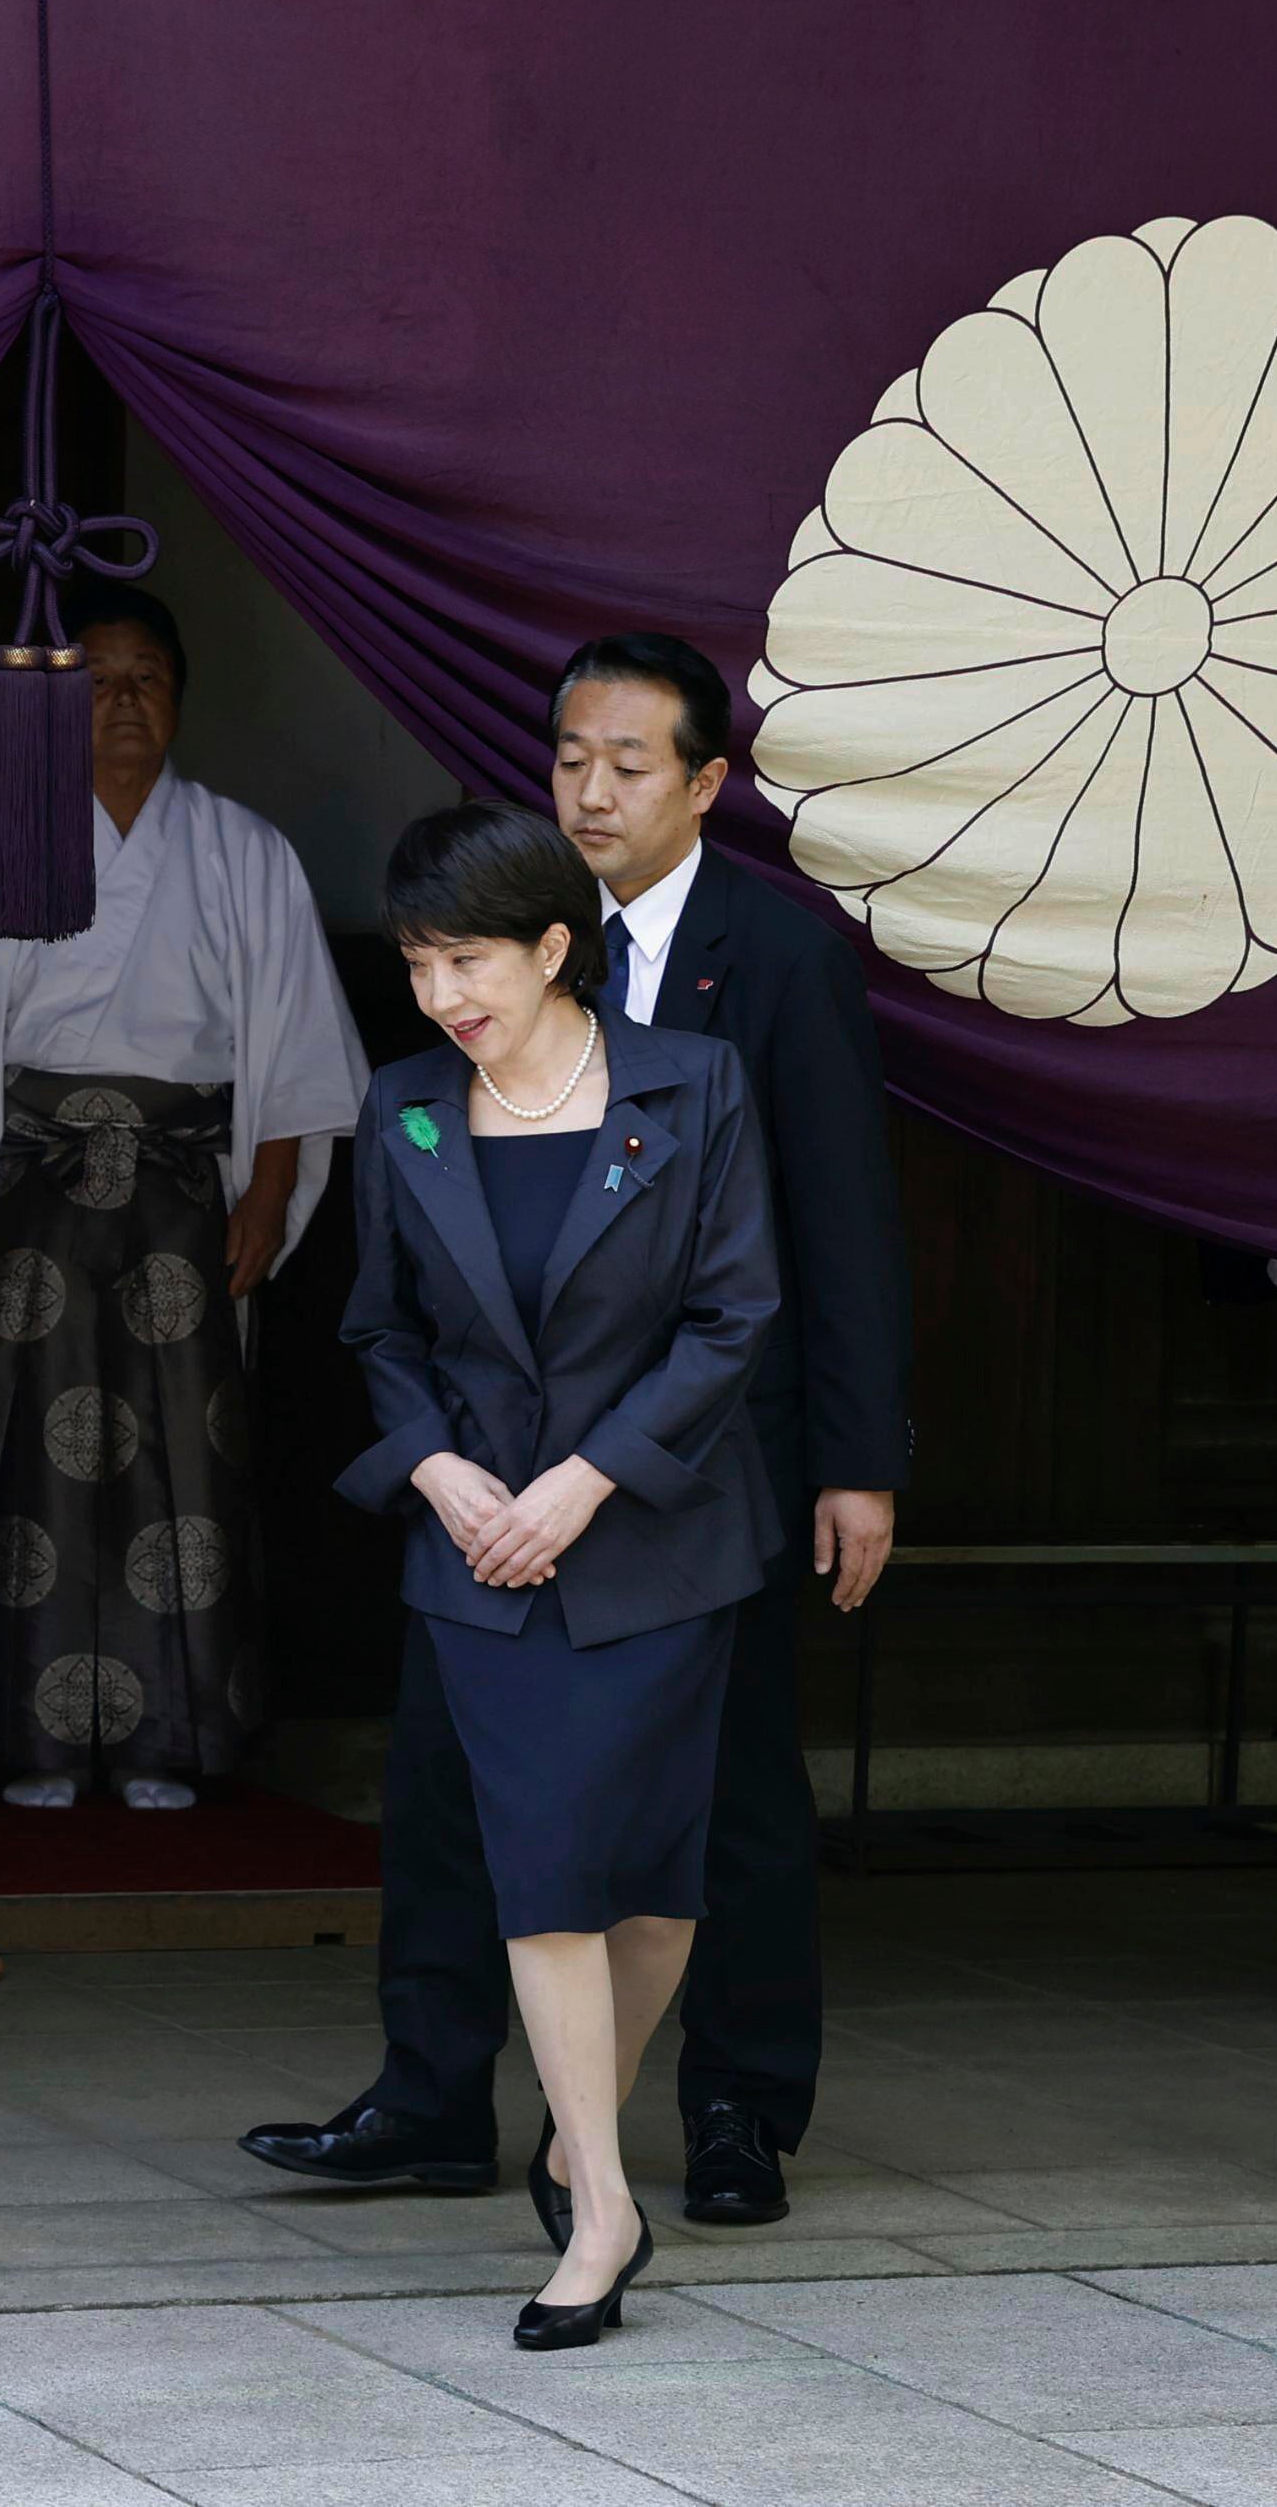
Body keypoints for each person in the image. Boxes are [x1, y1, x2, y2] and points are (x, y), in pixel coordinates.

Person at [246, 633, 911, 2236]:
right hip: (483, 1487)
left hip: (695, 1471)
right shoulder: (452, 1007)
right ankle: (431, 2094)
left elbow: (837, 1227)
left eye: (631, 764)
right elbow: (389, 1307)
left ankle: (736, 2104)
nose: (595, 788)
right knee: (451, 1790)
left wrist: (857, 1455)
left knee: (716, 1801)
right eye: (569, 758)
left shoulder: (772, 958)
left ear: (706, 783)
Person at [320, 800, 778, 2349]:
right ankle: (601, 2205)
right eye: (419, 964)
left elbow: (733, 1321)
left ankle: (572, 2124)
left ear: (552, 948)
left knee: (654, 1890)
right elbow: (379, 1332)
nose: (445, 993)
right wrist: (443, 1475)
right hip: (479, 1559)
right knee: (547, 1878)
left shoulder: (692, 1086)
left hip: (654, 1544)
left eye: (471, 960)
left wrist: (581, 1486)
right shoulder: (404, 1112)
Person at [0, 583, 369, 1809]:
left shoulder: (243, 851)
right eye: (98, 679)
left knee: (186, 1452)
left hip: (188, 1185)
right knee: (30, 1448)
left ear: (179, 698)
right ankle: (29, 1733)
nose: (125, 699)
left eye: (147, 677)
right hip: (36, 1184)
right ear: (55, 709)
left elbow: (295, 1047)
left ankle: (168, 1736)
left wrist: (269, 1189)